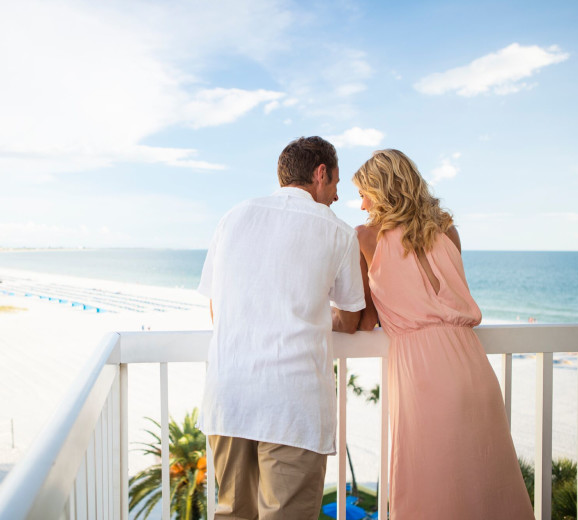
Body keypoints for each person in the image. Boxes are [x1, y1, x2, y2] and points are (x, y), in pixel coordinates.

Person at [352, 149, 533, 519]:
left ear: (382, 190)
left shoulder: (366, 237)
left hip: (423, 374)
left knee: (430, 486)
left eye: (364, 193)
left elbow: (365, 319)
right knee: (483, 483)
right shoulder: (447, 230)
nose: (361, 205)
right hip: (471, 364)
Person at [198, 136, 367, 519]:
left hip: (230, 395)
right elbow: (352, 318)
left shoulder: (234, 215)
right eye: (337, 185)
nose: (337, 197)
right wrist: (318, 316)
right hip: (293, 402)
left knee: (232, 513)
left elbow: (215, 305)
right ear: (320, 173)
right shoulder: (338, 231)